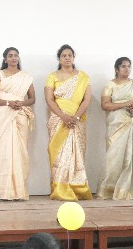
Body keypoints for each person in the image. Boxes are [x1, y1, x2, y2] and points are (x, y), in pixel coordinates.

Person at [44, 44, 93, 201]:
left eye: (69, 55)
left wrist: (76, 117)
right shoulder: (52, 77)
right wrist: (63, 116)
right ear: (59, 58)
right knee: (59, 154)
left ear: (73, 57)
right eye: (64, 55)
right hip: (58, 119)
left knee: (76, 154)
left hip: (77, 120)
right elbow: (49, 100)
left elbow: (86, 100)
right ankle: (60, 189)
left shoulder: (83, 77)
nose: (67, 58)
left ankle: (77, 189)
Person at [96, 57, 133, 200]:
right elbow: (105, 105)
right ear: (117, 69)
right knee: (114, 156)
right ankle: (109, 190)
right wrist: (124, 104)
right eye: (124, 66)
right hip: (117, 124)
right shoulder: (110, 85)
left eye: (129, 66)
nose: (127, 69)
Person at [0, 47, 36, 200]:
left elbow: (32, 98)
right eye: (10, 56)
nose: (14, 58)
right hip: (4, 115)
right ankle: (3, 191)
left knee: (20, 151)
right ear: (5, 59)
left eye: (16, 55)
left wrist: (21, 103)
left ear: (18, 58)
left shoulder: (26, 77)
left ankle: (19, 191)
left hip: (20, 114)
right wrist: (9, 103)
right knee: (5, 150)